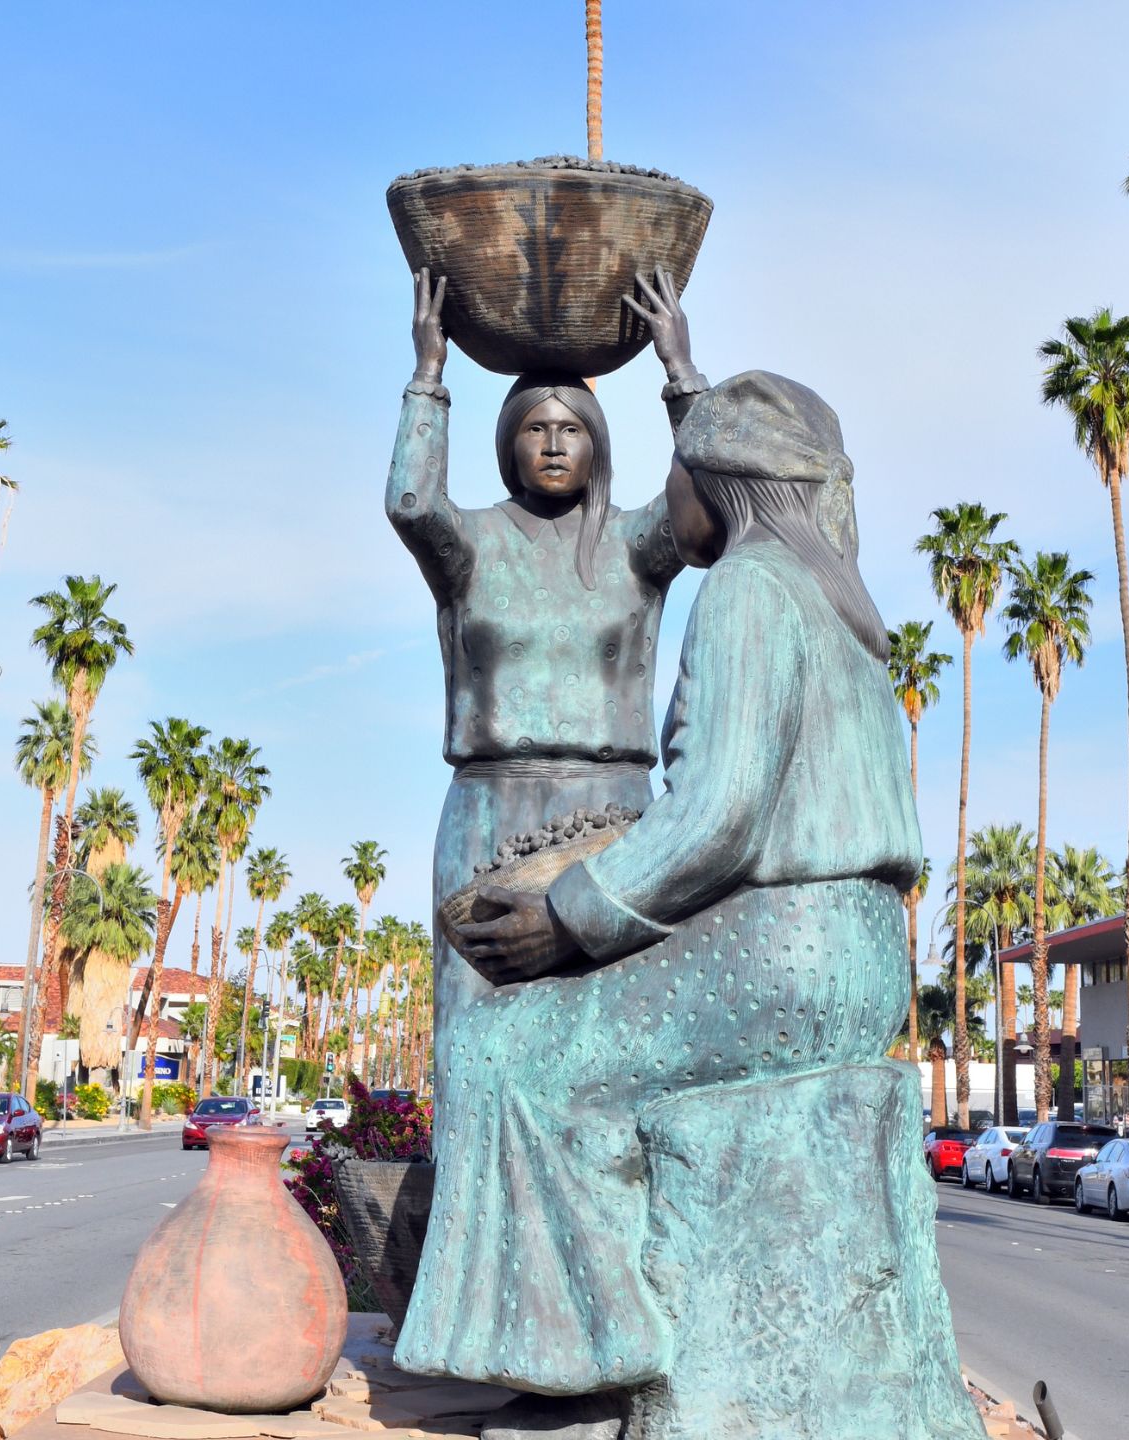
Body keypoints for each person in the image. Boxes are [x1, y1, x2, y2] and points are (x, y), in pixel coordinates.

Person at [394, 370, 923, 1412]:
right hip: (862, 959)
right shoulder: (836, 602)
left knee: (501, 1049)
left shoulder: (748, 592)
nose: (661, 490)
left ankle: (579, 1372)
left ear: (715, 480)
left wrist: (567, 916)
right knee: (544, 1046)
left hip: (784, 956)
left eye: (679, 462)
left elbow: (717, 816)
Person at [385, 268, 708, 1097]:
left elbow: (719, 502)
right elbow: (413, 504)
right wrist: (430, 377)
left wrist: (681, 374)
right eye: (536, 428)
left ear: (599, 441)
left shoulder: (636, 546)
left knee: (618, 1057)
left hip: (615, 816)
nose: (555, 442)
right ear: (510, 444)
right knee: (476, 1054)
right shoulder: (471, 548)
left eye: (572, 427)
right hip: (491, 806)